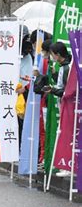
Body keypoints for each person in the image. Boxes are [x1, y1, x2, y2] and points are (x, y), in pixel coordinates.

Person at [44, 42, 72, 177]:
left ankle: (68, 166)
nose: (51, 56)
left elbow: (67, 91)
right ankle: (66, 165)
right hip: (66, 104)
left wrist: (52, 90)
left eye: (52, 54)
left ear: (58, 54)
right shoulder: (63, 67)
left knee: (67, 134)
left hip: (68, 105)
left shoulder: (66, 67)